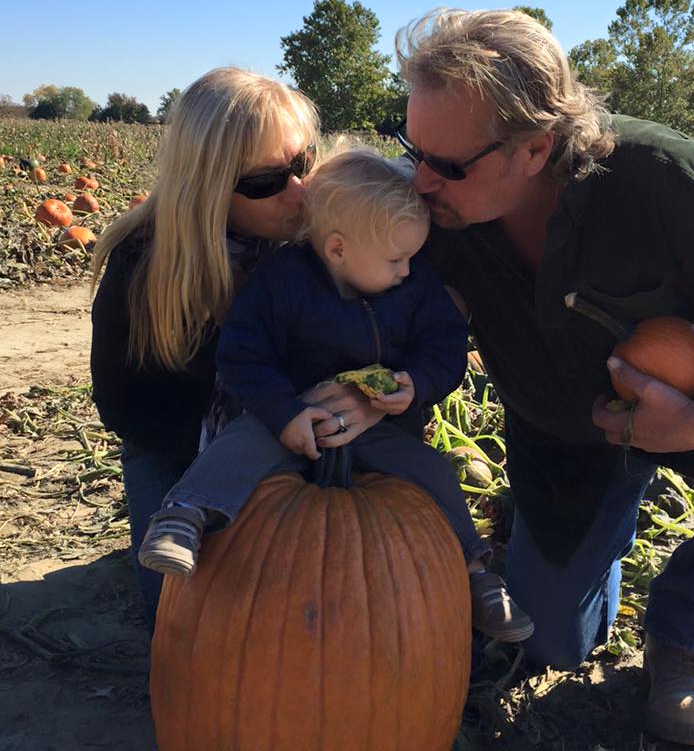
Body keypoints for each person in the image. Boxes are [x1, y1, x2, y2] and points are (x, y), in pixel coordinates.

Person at [395, 6, 694, 746]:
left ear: (535, 149)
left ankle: (690, 629)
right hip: (561, 434)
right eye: (412, 148)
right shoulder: (430, 210)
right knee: (548, 643)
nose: (421, 180)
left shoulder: (661, 179)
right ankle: (556, 538)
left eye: (447, 165)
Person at [137, 148, 534, 643]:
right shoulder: (282, 282)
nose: (407, 270)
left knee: (429, 470)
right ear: (339, 250)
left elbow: (444, 343)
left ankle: (475, 574)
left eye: (411, 258)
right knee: (238, 445)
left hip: (374, 428)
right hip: (289, 418)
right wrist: (283, 413)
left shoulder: (416, 286)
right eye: (396, 259)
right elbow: (242, 355)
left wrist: (417, 383)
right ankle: (185, 514)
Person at [90, 68, 379, 634]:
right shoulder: (144, 266)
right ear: (206, 185)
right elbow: (128, 409)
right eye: (266, 181)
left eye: (303, 163)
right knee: (189, 624)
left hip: (294, 431)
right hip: (176, 447)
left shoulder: (318, 236)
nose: (298, 190)